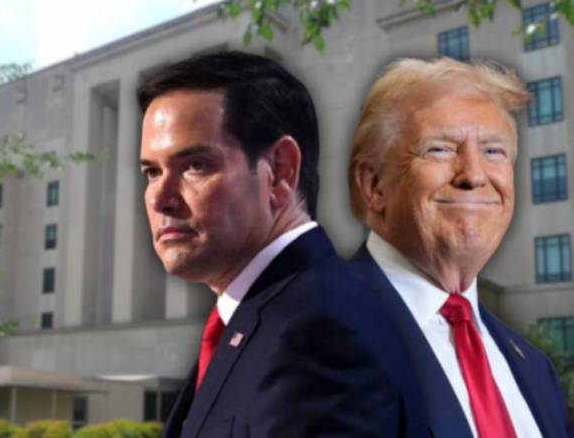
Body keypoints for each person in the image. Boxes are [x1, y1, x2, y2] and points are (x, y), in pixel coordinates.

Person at [138, 51, 421, 437]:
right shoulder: (263, 317)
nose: (159, 198)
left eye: (195, 165)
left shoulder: (319, 329)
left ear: (280, 172)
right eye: (152, 172)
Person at [348, 57, 572, 437]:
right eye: (439, 149)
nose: (473, 174)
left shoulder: (535, 369)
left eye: (494, 151)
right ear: (374, 186)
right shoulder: (307, 336)